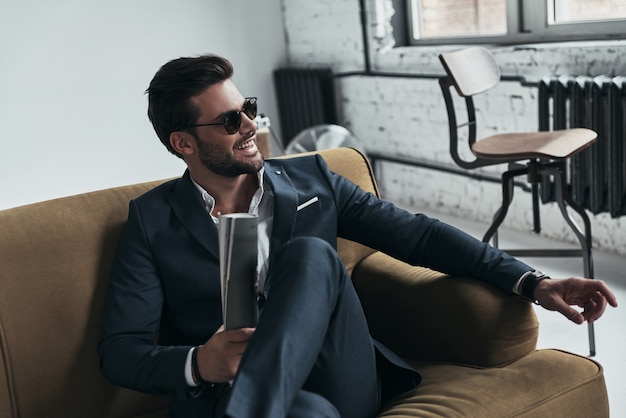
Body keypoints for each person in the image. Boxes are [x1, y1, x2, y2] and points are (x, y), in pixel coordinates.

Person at [98, 54, 618, 418]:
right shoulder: (151, 220)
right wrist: (199, 362)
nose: (251, 126)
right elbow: (120, 351)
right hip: (242, 393)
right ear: (183, 142)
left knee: (308, 256)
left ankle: (253, 406)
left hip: (336, 372)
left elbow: (419, 236)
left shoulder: (312, 179)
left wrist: (531, 281)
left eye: (249, 108)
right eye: (231, 120)